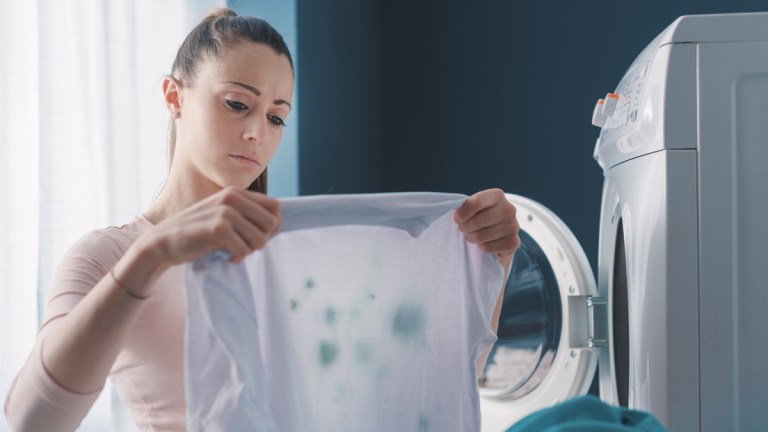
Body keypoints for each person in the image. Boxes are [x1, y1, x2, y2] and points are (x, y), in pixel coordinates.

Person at [4, 8, 520, 431]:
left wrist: (491, 260)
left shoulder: (301, 255)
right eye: (236, 104)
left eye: (276, 117)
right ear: (173, 96)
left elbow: (426, 383)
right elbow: (31, 420)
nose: (258, 133)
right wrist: (153, 254)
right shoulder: (110, 255)